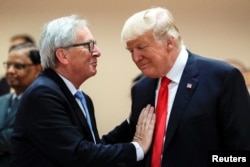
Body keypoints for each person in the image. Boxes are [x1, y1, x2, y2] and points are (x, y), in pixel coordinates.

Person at [10, 15, 155, 167]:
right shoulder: (42, 95)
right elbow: (79, 155)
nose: (97, 52)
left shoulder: (81, 98)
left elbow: (94, 147)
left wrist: (132, 123)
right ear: (63, 55)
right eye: (89, 45)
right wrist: (137, 147)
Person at [121, 7, 250, 167]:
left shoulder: (222, 78)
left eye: (141, 47)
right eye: (131, 51)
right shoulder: (141, 89)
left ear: (169, 42)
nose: (135, 57)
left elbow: (242, 153)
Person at [0, 42, 42, 166]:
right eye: (8, 65)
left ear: (38, 69)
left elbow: (22, 141)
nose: (10, 71)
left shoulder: (42, 102)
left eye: (18, 66)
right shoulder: (2, 100)